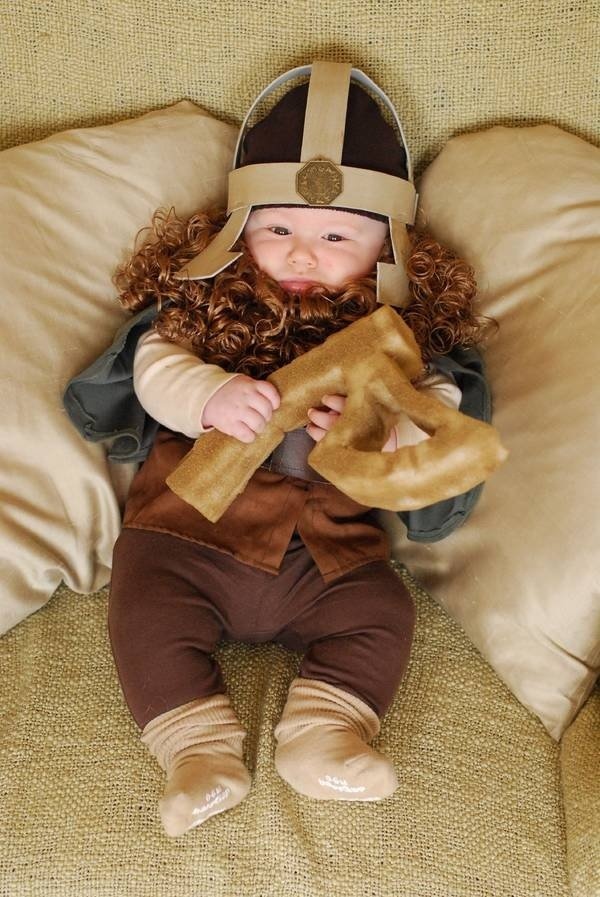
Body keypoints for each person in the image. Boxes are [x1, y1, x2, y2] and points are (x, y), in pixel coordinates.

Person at [102, 62, 491, 837]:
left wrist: (382, 427)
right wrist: (208, 395)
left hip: (328, 558)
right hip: (186, 538)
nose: (303, 255)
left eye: (336, 236)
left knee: (384, 613)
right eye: (276, 228)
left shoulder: (401, 349)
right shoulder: (208, 309)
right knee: (142, 607)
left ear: (393, 251)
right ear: (234, 231)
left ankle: (326, 732)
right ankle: (196, 750)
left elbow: (435, 423)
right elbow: (153, 366)